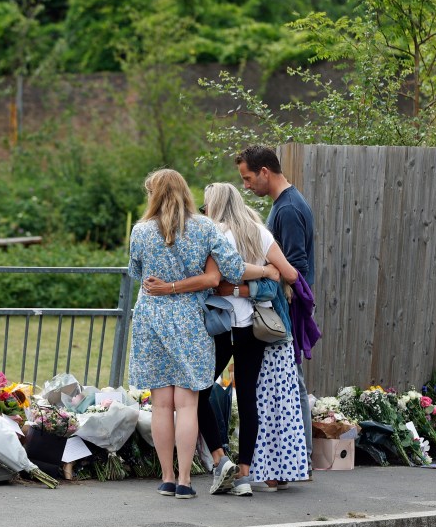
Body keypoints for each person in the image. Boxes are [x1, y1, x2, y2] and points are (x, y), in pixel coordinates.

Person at [127, 169, 270, 499]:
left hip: (151, 319)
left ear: (155, 195)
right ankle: (186, 481)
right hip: (191, 319)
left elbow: (136, 271)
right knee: (187, 405)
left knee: (161, 405)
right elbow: (233, 269)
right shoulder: (206, 228)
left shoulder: (141, 231)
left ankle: (166, 477)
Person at [235, 145, 316, 468]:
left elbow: (295, 265)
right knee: (288, 381)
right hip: (282, 305)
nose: (247, 185)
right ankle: (293, 459)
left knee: (291, 382)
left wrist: (268, 285)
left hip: (287, 307)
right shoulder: (286, 204)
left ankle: (302, 458)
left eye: (248, 178)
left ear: (265, 172)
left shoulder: (287, 210)